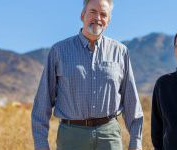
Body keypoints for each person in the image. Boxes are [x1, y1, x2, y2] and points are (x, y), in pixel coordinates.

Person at [31, 0, 143, 150]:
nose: (98, 17)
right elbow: (42, 103)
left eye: (103, 14)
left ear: (108, 21)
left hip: (109, 136)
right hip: (71, 137)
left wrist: (136, 142)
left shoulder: (120, 52)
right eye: (93, 12)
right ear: (82, 15)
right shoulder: (59, 51)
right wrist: (41, 144)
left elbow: (131, 102)